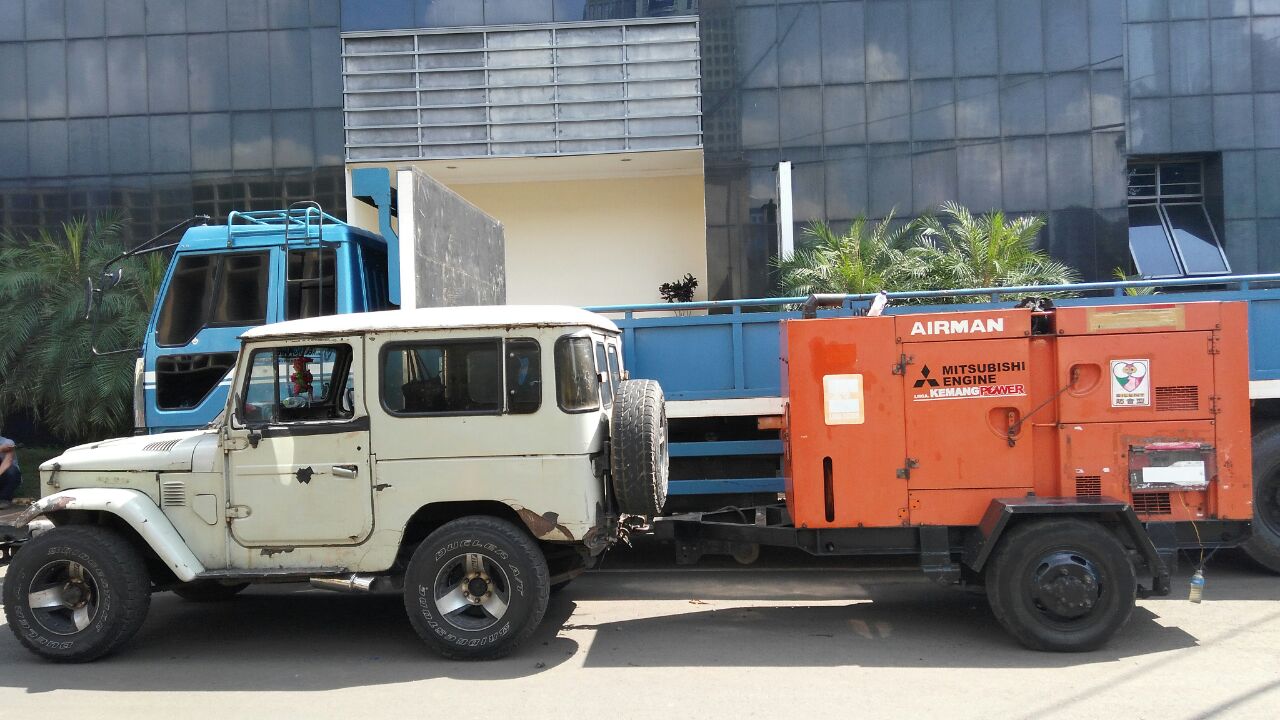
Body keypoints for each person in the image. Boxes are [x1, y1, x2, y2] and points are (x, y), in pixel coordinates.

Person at [0, 435, 20, 511]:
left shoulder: (7, 442)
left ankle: (4, 499)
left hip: (5, 475)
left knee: (12, 471)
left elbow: (7, 462)